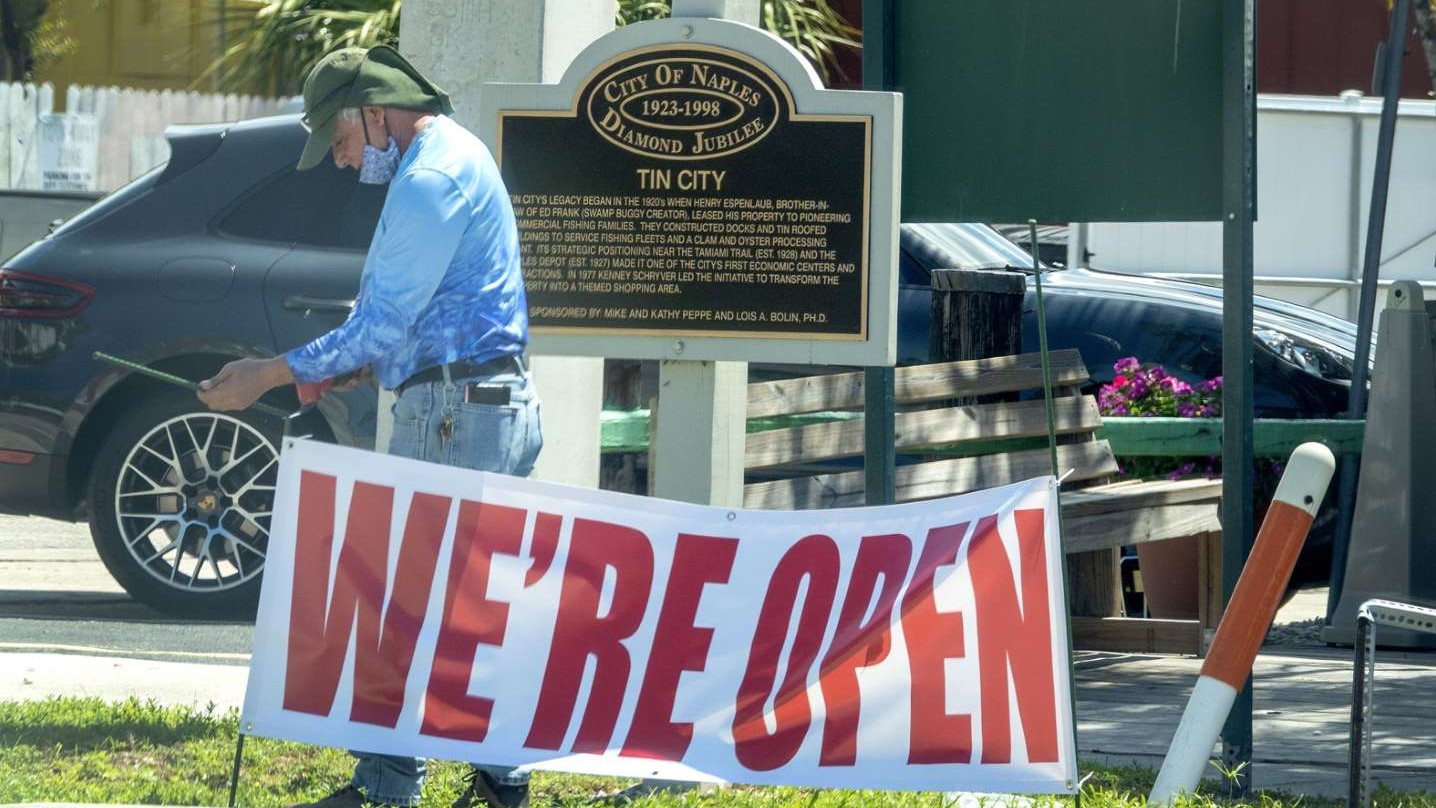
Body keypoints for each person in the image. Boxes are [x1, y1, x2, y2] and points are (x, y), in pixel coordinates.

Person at [196, 45, 541, 808]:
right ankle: (497, 781)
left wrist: (267, 373)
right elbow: (398, 319)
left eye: (342, 138)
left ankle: (393, 787)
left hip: (454, 410)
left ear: (375, 111)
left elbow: (380, 325)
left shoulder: (428, 180)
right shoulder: (448, 159)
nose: (342, 158)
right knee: (470, 604)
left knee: (403, 603)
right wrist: (342, 366)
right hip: (469, 402)